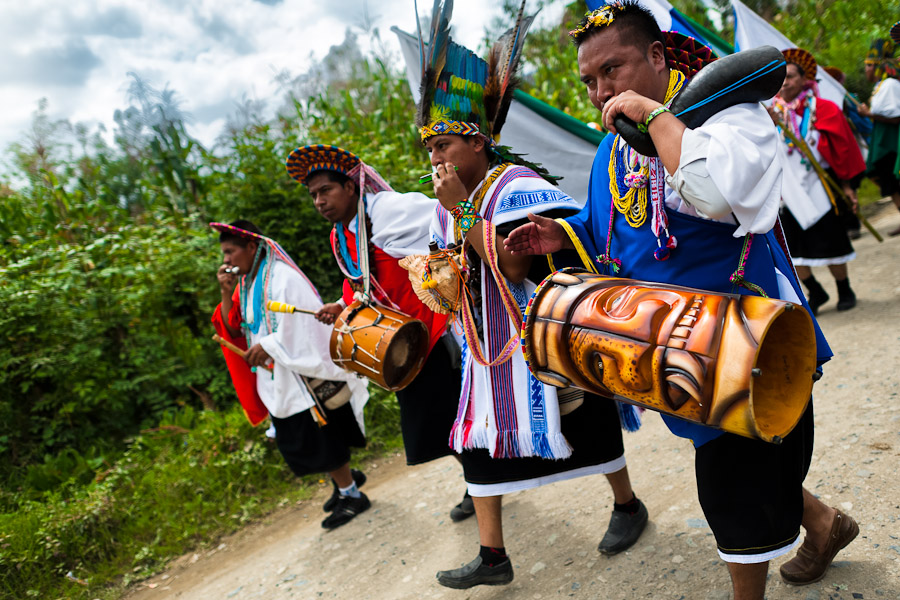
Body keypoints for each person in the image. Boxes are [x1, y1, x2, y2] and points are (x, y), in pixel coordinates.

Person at [503, 3, 857, 598]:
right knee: (748, 465)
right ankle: (823, 526)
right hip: (667, 347)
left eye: (612, 70)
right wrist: (559, 235)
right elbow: (605, 232)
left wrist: (653, 116)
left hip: (741, 344)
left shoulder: (729, 117)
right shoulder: (611, 150)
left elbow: (714, 193)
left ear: (659, 55)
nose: (599, 91)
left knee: (731, 489)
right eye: (589, 80)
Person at [413, 0, 647, 589]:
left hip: (541, 333)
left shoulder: (515, 186)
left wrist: (460, 213)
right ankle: (493, 555)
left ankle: (627, 504)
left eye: (443, 144)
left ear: (478, 143)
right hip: (484, 345)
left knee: (587, 425)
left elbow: (518, 263)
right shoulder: (447, 205)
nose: (435, 157)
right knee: (479, 442)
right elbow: (457, 267)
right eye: (430, 148)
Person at [284, 145, 474, 522]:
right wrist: (342, 307)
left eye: (326, 190)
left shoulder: (386, 211)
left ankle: (486, 479)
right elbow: (362, 283)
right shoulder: (342, 235)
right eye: (313, 195)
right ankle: (481, 480)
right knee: (441, 421)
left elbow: (447, 226)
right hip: (402, 342)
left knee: (448, 417)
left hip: (431, 331)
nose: (319, 201)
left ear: (351, 187)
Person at [210, 220, 371, 530]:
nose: (226, 260)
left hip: (299, 373)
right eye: (224, 253)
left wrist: (269, 346)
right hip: (278, 375)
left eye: (231, 252)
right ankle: (343, 486)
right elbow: (236, 327)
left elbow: (304, 325)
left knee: (319, 435)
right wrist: (225, 291)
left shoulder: (283, 278)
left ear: (251, 248)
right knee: (304, 436)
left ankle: (351, 493)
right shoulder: (247, 282)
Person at [771, 48, 865, 315]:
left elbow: (842, 149)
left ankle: (844, 288)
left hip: (819, 186)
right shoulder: (767, 113)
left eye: (790, 76)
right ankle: (816, 290)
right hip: (786, 193)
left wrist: (848, 186)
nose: (785, 82)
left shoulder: (822, 109)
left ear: (805, 79)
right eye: (781, 77)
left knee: (831, 242)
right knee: (794, 249)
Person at [859, 30, 900, 237]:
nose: (865, 70)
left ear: (876, 66)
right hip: (883, 139)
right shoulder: (880, 86)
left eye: (868, 65)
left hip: (892, 141)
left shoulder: (891, 84)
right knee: (888, 179)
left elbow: (897, 117)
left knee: (894, 178)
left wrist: (871, 114)